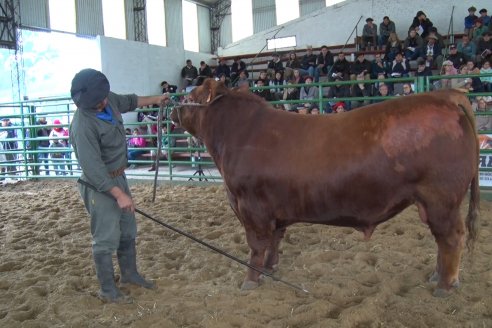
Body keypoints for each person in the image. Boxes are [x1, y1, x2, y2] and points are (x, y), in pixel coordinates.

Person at [69, 68, 169, 303]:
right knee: (105, 237)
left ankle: (129, 274)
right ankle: (107, 289)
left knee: (127, 228)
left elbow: (130, 101)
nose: (104, 102)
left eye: (104, 97)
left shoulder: (107, 98)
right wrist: (118, 195)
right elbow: (93, 170)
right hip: (98, 185)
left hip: (119, 177)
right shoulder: (83, 126)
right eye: (98, 101)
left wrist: (157, 99)